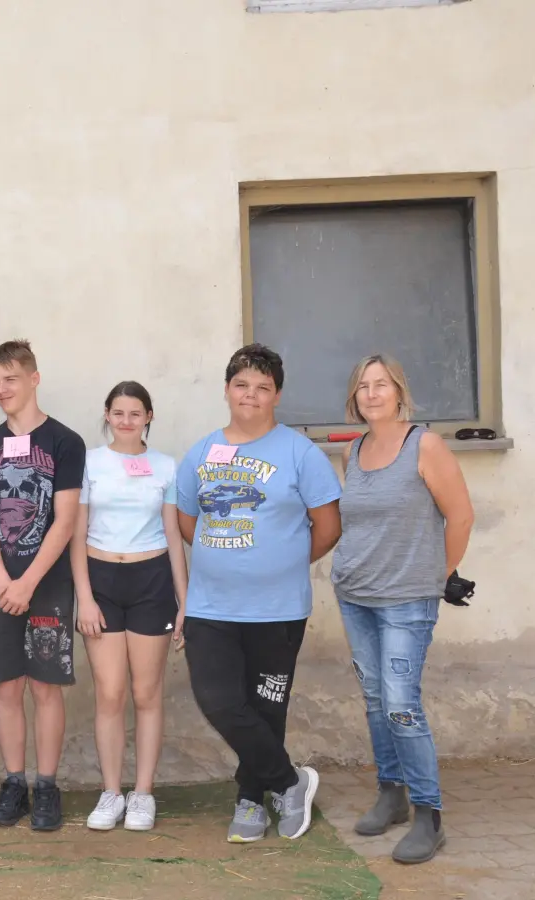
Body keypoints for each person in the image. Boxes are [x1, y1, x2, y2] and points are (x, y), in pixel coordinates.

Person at [175, 343, 342, 843]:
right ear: (227, 390)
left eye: (262, 387)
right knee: (219, 702)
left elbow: (328, 527)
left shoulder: (299, 453)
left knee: (266, 708)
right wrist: (229, 558)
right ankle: (291, 782)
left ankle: (250, 800)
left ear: (277, 395)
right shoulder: (202, 452)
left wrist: (280, 561)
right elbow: (189, 523)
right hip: (210, 606)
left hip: (278, 608)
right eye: (242, 384)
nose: (251, 395)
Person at [332, 355, 473, 865]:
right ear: (355, 398)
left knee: (400, 704)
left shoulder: (425, 445)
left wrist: (438, 576)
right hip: (355, 593)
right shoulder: (355, 451)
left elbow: (460, 515)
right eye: (363, 386)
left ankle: (428, 815)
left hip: (407, 600)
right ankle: (390, 793)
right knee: (375, 699)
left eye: (381, 384)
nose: (372, 393)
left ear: (398, 391)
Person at [0, 340, 86, 832]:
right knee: (6, 685)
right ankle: (13, 782)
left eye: (10, 379)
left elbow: (64, 522)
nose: (2, 390)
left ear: (34, 379)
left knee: (45, 686)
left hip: (48, 584)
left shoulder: (65, 442)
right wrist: (2, 581)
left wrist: (28, 582)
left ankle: (46, 786)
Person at [68, 381, 188, 832]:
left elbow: (174, 536)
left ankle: (142, 794)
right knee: (111, 692)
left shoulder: (165, 465)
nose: (126, 420)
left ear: (148, 417)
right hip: (100, 581)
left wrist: (184, 601)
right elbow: (76, 537)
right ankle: (111, 792)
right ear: (107, 414)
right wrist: (84, 596)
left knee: (146, 693)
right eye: (118, 412)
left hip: (151, 580)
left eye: (135, 413)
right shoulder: (91, 463)